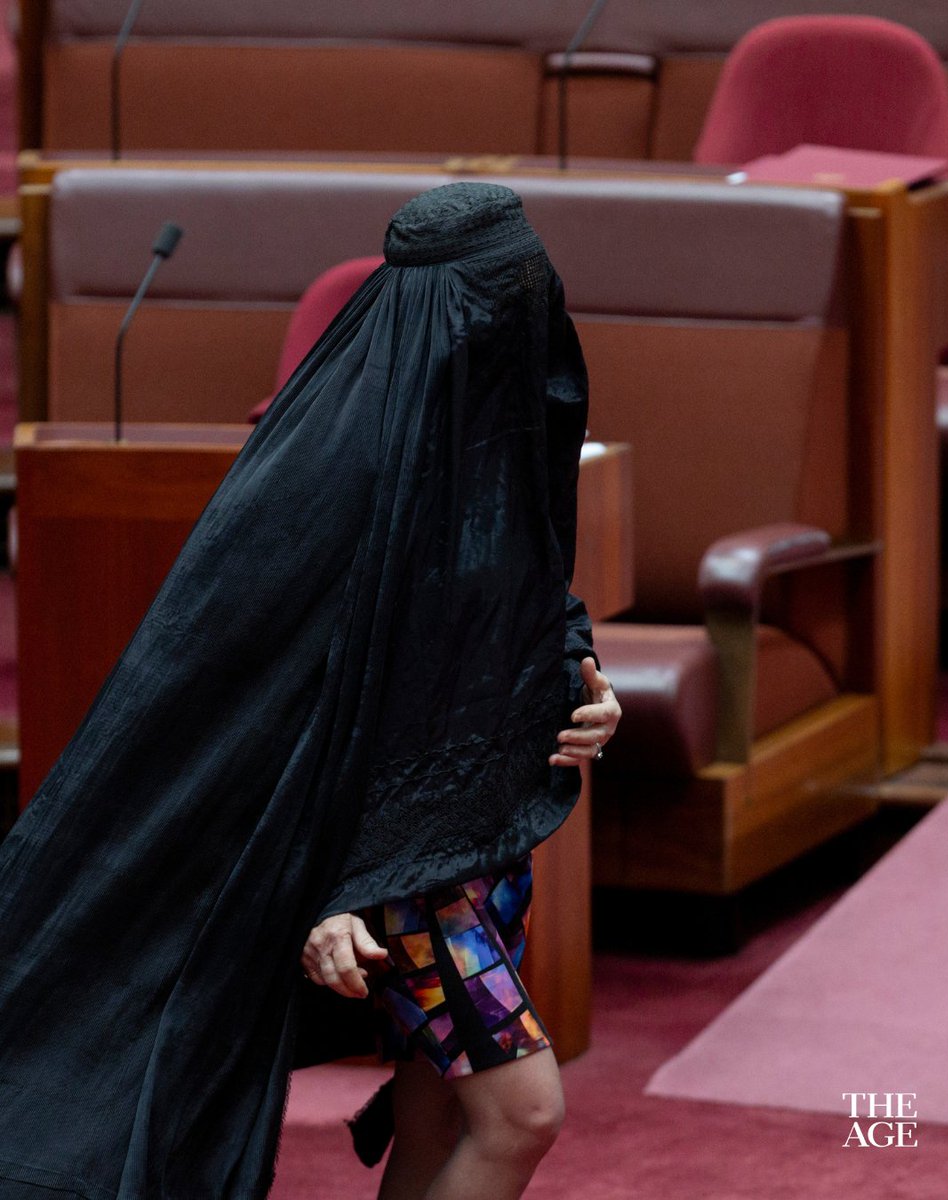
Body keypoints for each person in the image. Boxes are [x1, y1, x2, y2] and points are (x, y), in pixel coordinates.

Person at [0, 180, 620, 1199]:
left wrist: (577, 680)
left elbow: (520, 588)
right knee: (524, 1112)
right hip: (401, 865)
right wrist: (342, 889)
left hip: (484, 831)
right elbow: (292, 707)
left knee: (436, 1107)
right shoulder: (343, 472)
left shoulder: (494, 427)